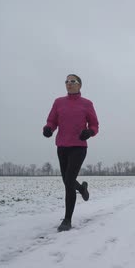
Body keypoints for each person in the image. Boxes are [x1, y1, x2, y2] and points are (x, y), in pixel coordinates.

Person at [43, 74, 99, 232]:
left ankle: (67, 220)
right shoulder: (58, 102)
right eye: (66, 81)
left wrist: (89, 132)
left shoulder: (87, 104)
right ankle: (81, 189)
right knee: (66, 180)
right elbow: (52, 121)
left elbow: (94, 125)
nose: (69, 84)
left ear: (80, 85)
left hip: (79, 146)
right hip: (62, 146)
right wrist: (48, 129)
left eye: (72, 81)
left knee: (68, 181)